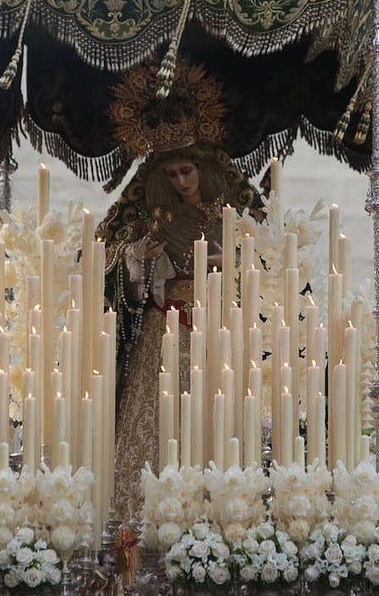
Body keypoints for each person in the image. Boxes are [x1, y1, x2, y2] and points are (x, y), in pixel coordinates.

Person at [96, 65, 264, 521]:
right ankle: (141, 516)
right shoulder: (155, 221)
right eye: (170, 174)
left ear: (203, 168)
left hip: (216, 328)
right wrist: (142, 257)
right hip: (165, 329)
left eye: (187, 171)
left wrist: (225, 263)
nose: (180, 182)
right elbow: (114, 266)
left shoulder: (230, 213)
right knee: (156, 421)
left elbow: (263, 261)